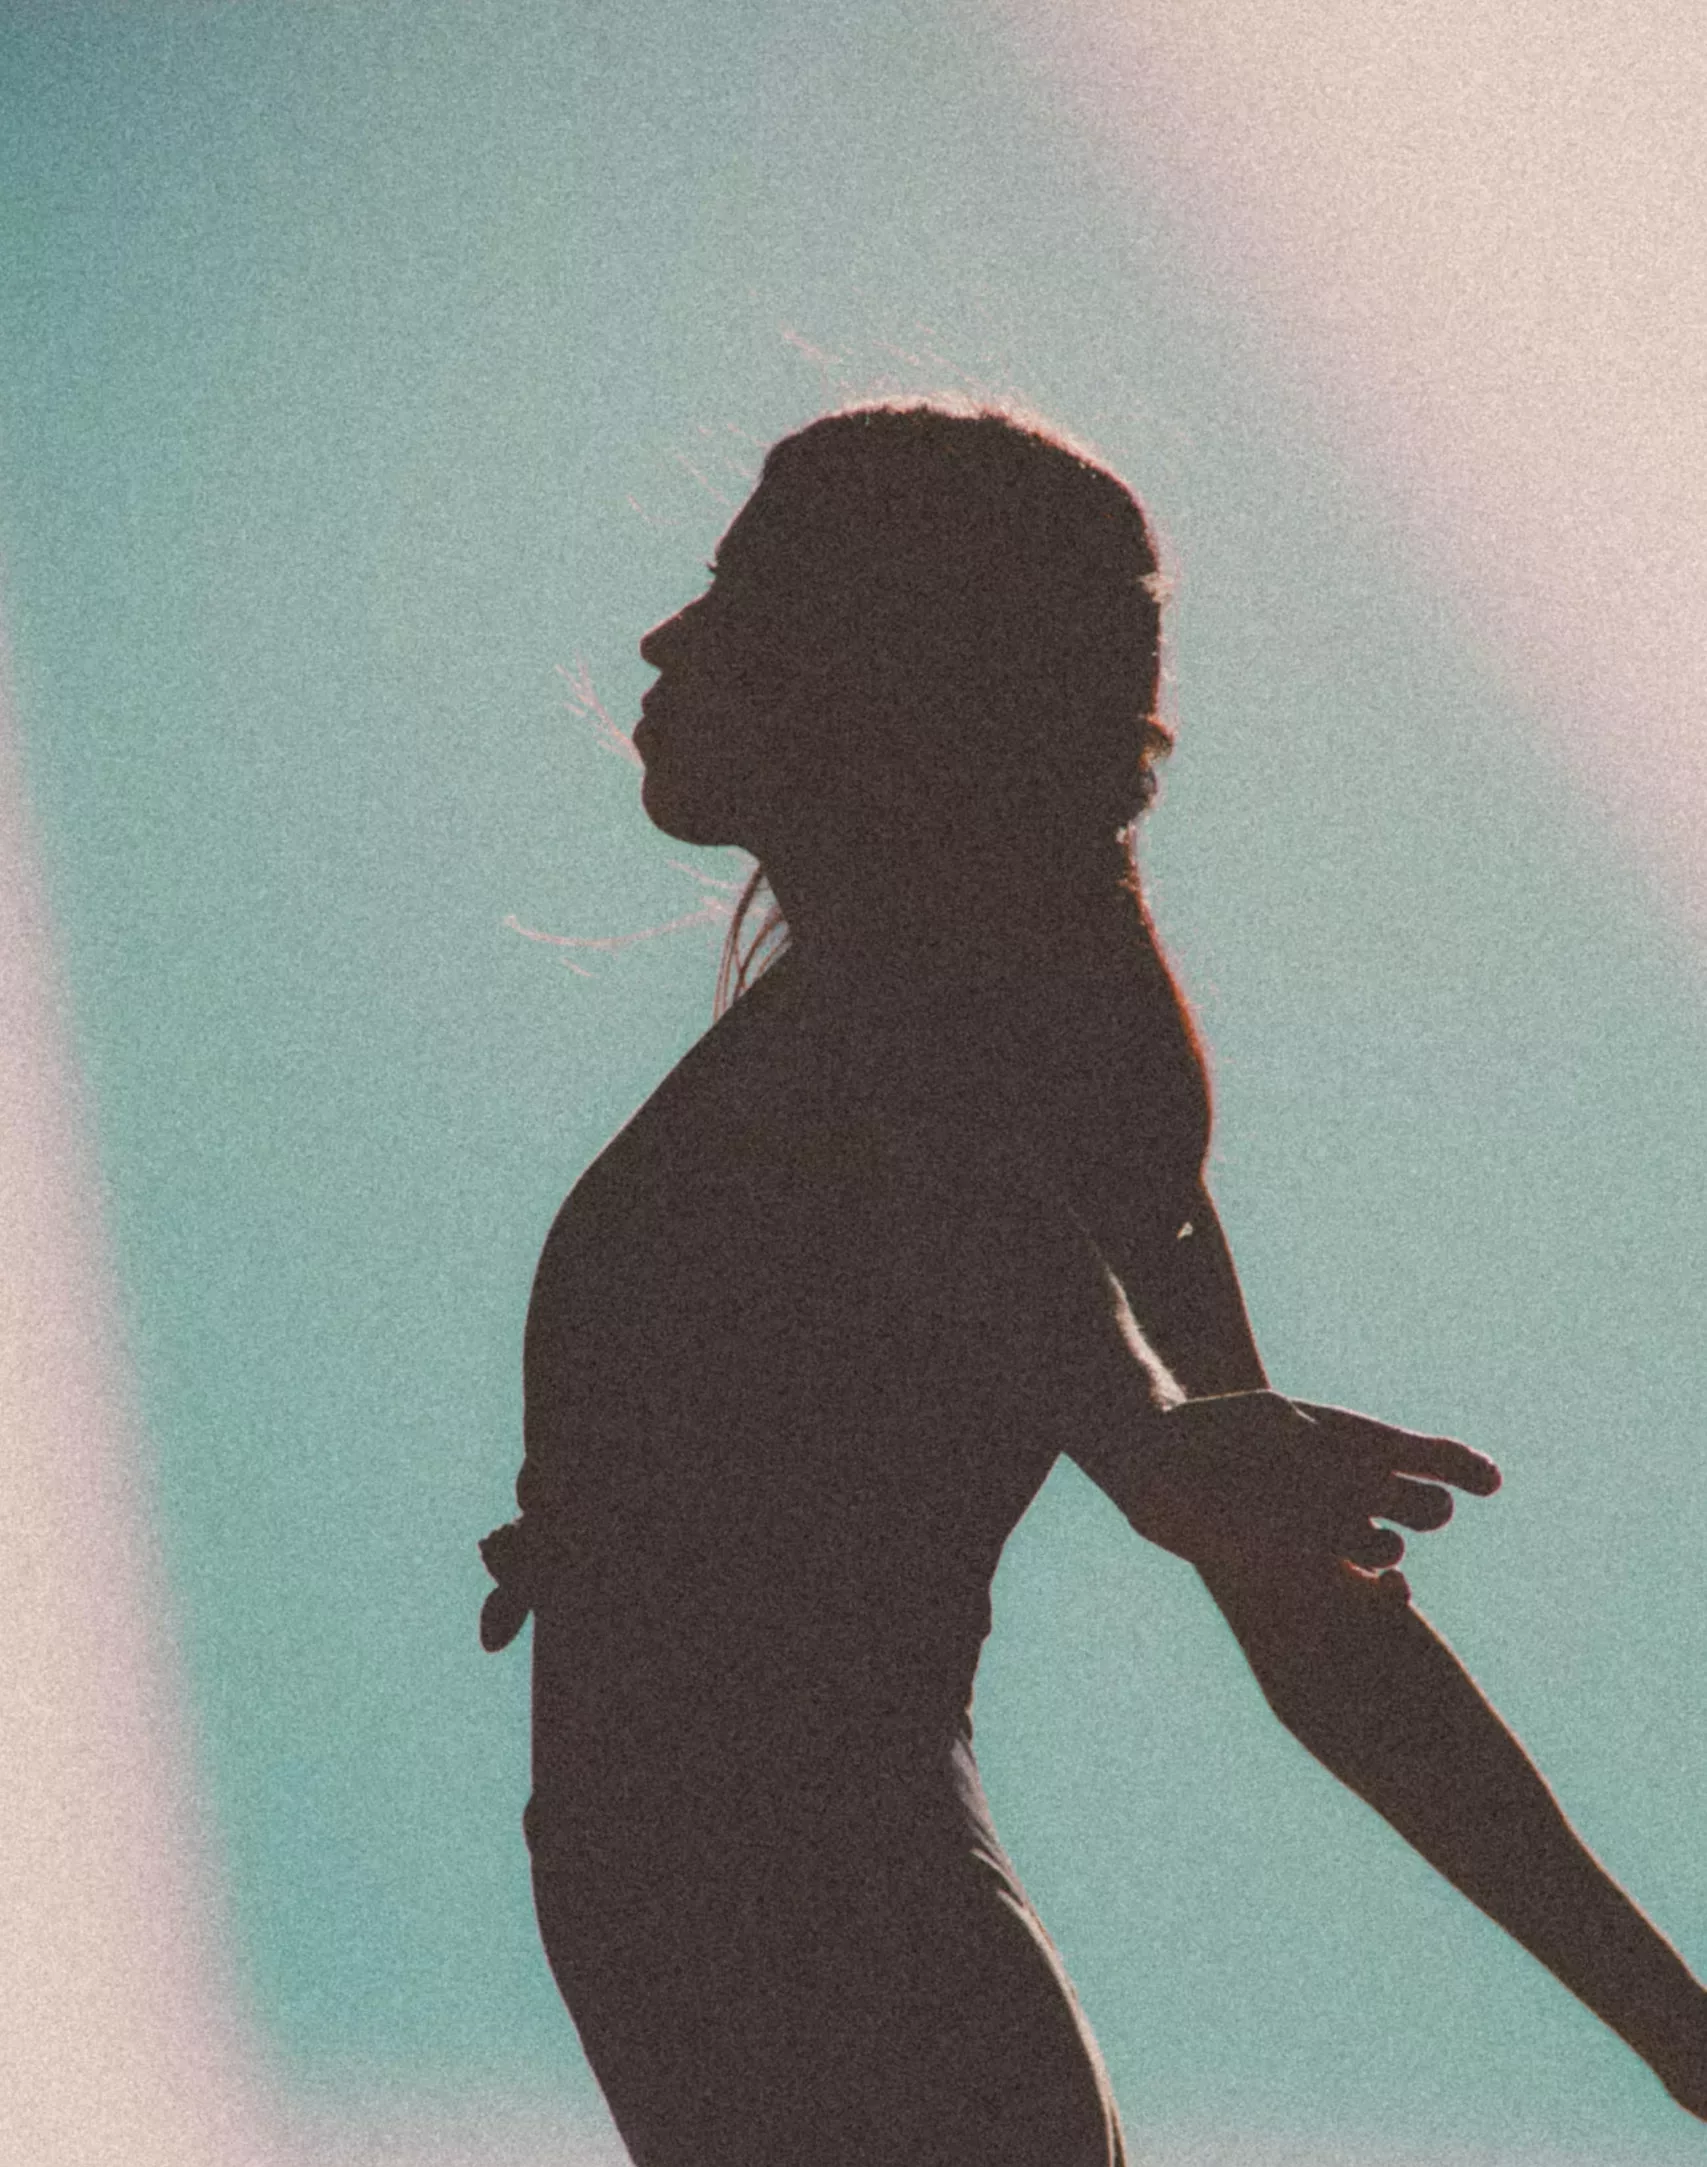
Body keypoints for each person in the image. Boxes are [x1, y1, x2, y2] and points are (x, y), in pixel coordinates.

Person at [481, 401, 1707, 2165]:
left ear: (892, 677)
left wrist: (1141, 1440)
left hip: (873, 2027)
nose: (666, 639)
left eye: (743, 598)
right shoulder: (881, 1044)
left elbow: (1043, 1296)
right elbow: (1297, 1610)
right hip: (832, 2017)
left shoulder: (921, 1051)